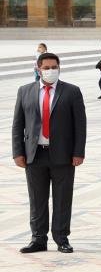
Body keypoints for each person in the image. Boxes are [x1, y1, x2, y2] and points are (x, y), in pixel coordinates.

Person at [13, 52, 86, 253]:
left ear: (59, 68)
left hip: (63, 155)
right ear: (38, 69)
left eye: (54, 67)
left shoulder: (71, 91)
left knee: (63, 198)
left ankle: (62, 238)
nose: (51, 71)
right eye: (46, 68)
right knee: (37, 199)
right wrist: (18, 152)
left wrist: (78, 152)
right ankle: (38, 239)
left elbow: (80, 125)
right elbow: (18, 124)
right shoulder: (25, 91)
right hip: (34, 154)